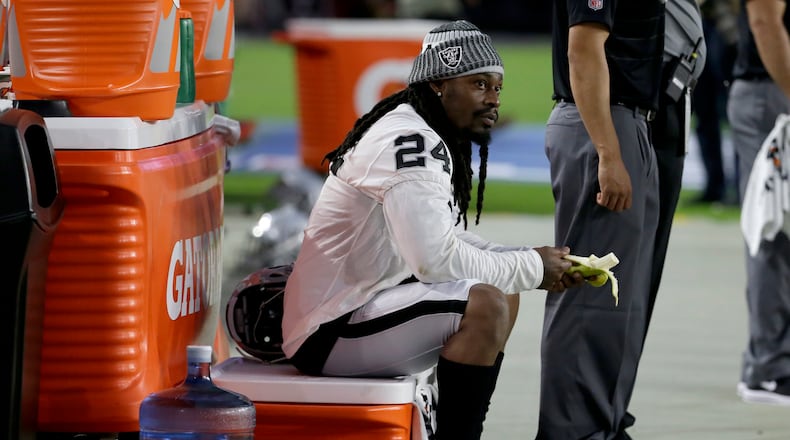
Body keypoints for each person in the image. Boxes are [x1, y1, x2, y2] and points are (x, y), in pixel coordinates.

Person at [279, 20, 584, 440]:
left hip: (363, 303)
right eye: (480, 84)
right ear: (440, 83)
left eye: (497, 87)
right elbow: (434, 260)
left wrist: (525, 259)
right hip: (329, 326)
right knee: (488, 304)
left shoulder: (418, 130)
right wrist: (532, 266)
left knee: (503, 287)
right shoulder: (412, 141)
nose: (493, 100)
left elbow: (450, 241)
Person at [538, 1, 664, 438]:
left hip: (625, 123)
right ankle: (572, 431)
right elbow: (584, 49)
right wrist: (609, 154)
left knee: (617, 300)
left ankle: (600, 425)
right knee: (588, 294)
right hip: (603, 125)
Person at [728, 0, 790, 405]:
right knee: (774, 228)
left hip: (773, 90)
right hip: (773, 92)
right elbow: (764, 20)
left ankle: (772, 362)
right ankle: (768, 368)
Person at [647, 0, 707, 341]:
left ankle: (614, 386)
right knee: (628, 262)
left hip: (672, 101)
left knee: (648, 260)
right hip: (646, 105)